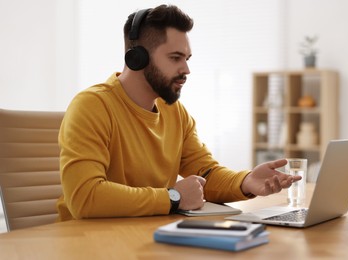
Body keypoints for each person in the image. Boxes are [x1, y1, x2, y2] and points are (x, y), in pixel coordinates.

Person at [56, 4, 301, 221]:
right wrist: (173, 197)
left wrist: (246, 181)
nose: (186, 69)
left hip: (144, 238)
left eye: (187, 58)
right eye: (175, 58)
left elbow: (207, 174)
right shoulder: (92, 107)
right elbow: (85, 197)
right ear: (137, 58)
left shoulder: (175, 113)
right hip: (87, 243)